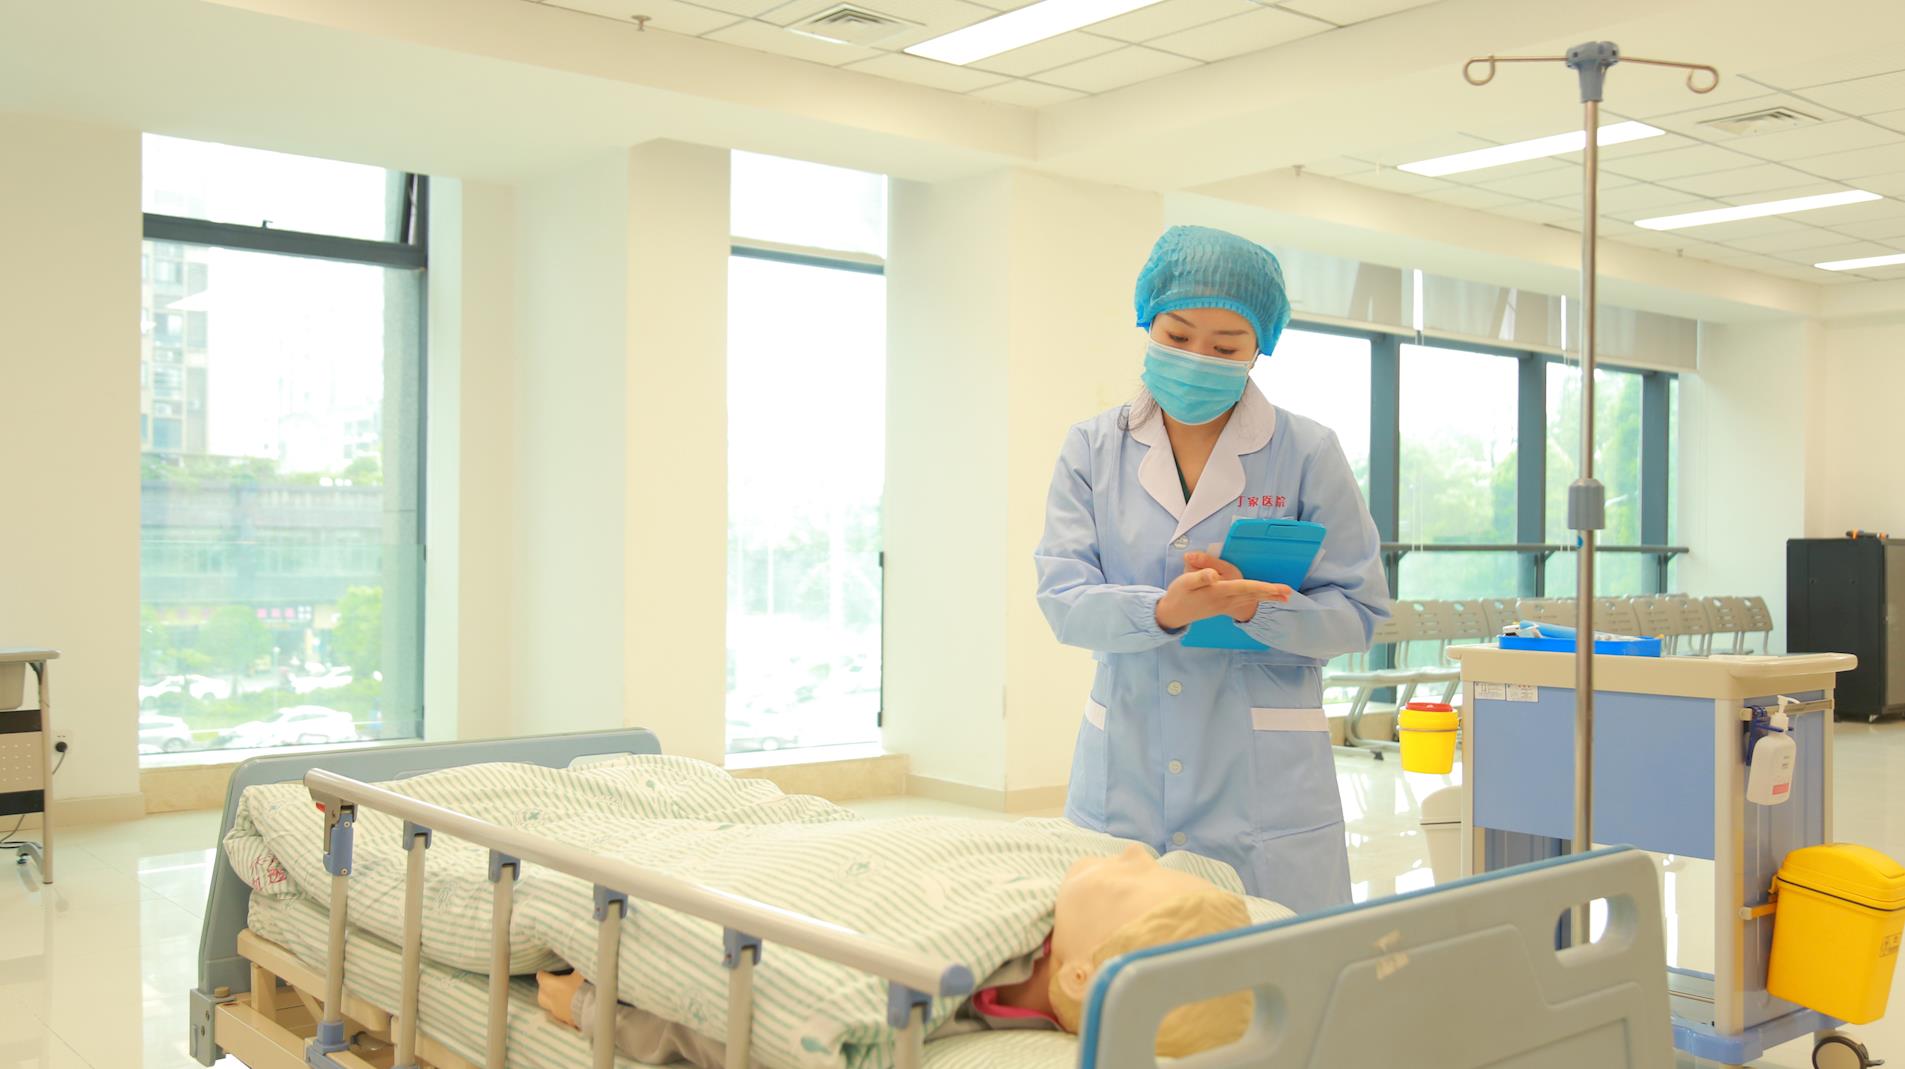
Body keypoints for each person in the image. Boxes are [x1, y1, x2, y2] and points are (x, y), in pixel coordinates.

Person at [1034, 225, 1390, 914]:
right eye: (1177, 335)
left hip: (1263, 785)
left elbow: (1360, 613)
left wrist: (1258, 609)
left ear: (1260, 347)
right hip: (1127, 770)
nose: (1198, 359)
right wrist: (1162, 612)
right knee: (1122, 950)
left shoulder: (1307, 453)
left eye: (1225, 347)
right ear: (1147, 322)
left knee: (1274, 957)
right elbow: (1063, 597)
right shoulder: (1092, 448)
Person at [537, 844, 1254, 1062]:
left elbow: (742, 1029)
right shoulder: (1039, 920)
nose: (1132, 853)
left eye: (1130, 876)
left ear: (1079, 973)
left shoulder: (914, 1006)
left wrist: (595, 1009)